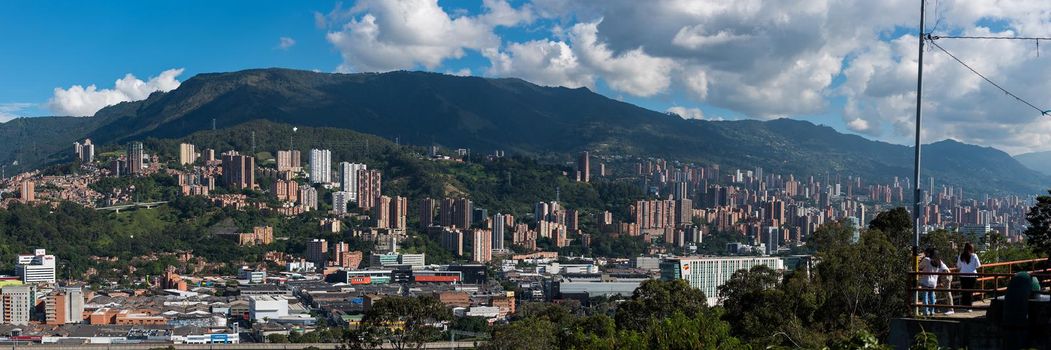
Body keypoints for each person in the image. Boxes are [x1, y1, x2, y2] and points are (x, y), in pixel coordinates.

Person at [919, 248, 950, 316]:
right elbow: (944, 269)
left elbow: (919, 266)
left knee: (925, 297)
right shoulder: (939, 262)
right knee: (932, 296)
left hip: (926, 281)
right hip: (933, 282)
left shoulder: (927, 260)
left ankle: (925, 312)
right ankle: (932, 311)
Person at [957, 242, 981, 312]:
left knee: (964, 291)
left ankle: (964, 306)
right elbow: (978, 266)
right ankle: (969, 307)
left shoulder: (961, 256)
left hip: (963, 275)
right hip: (972, 276)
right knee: (970, 292)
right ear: (972, 248)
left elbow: (958, 266)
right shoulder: (974, 256)